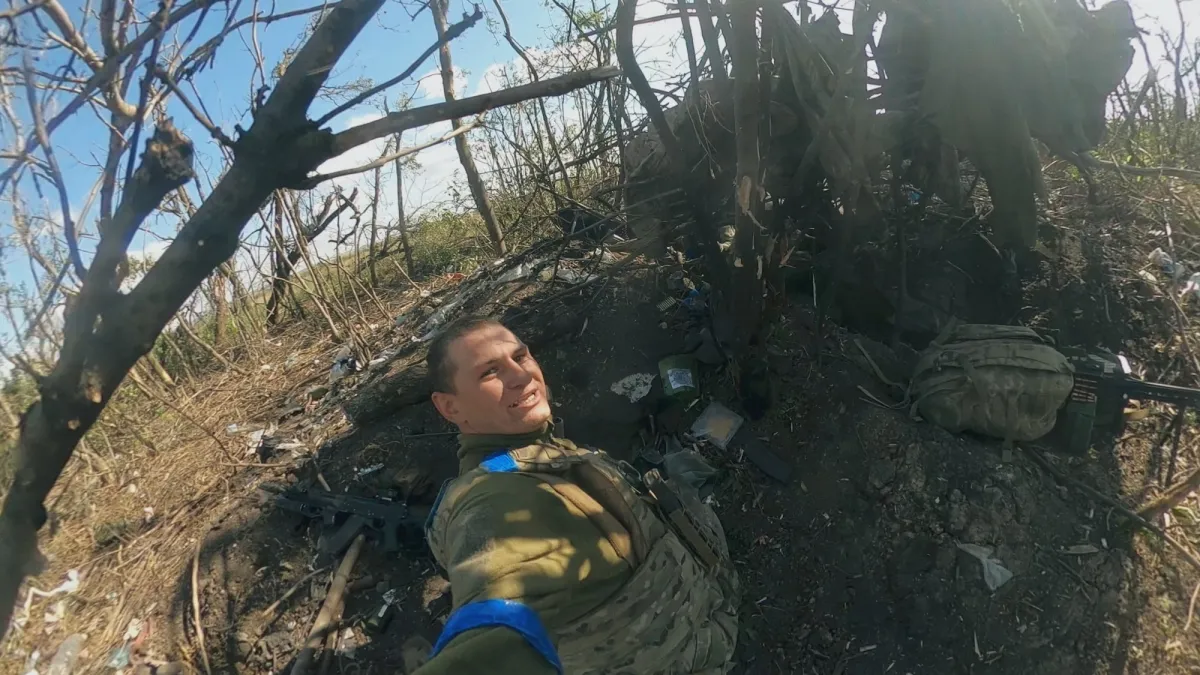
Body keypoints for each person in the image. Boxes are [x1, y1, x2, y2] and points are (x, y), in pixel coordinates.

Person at [413, 316, 739, 674]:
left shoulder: (538, 448)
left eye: (520, 357)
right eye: (489, 372)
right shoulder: (491, 501)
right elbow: (494, 624)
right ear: (450, 407)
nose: (521, 376)